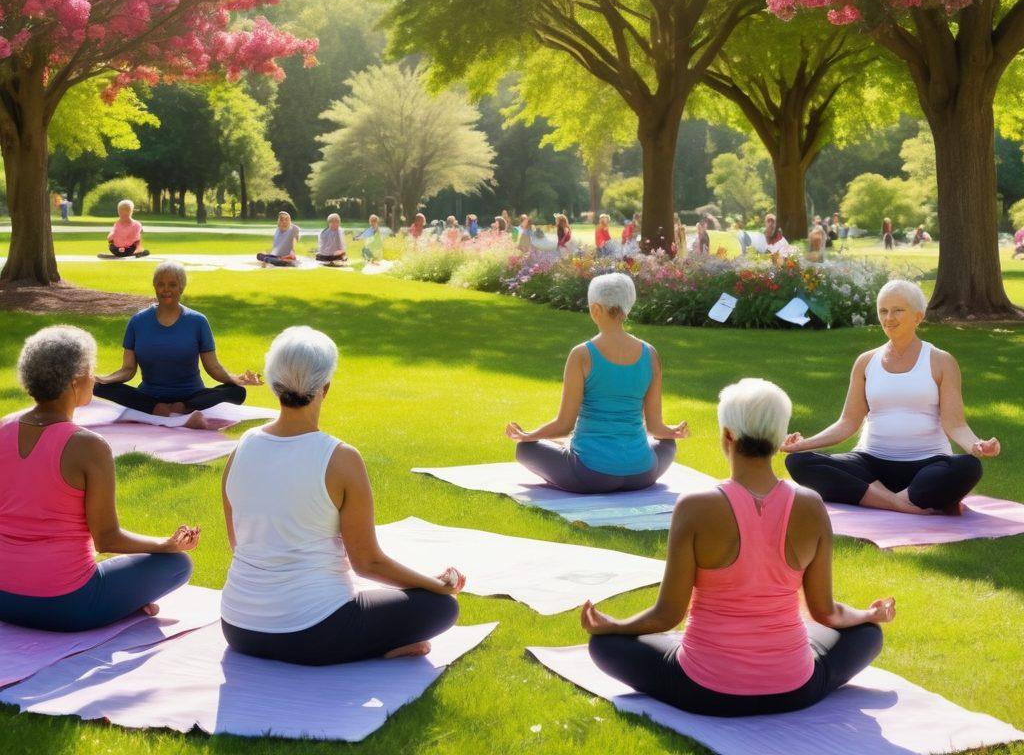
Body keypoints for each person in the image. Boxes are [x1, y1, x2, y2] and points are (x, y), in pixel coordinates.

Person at [582, 378, 893, 717]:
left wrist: (614, 626)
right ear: (778, 438)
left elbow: (667, 615)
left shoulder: (695, 506)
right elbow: (825, 613)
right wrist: (868, 615)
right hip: (794, 690)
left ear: (728, 435)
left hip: (706, 691)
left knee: (604, 645)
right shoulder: (811, 505)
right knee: (867, 634)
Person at [220, 327, 464, 665]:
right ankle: (385, 645)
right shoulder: (341, 458)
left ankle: (381, 640)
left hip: (239, 628)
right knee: (442, 607)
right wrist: (434, 585)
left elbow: (239, 545)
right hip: (316, 634)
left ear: (275, 385)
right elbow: (367, 563)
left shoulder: (240, 448)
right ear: (325, 388)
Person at [0, 326, 198, 632]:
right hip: (67, 605)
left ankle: (124, 597)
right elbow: (107, 538)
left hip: (4, 598)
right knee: (177, 565)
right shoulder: (89, 446)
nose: (95, 378)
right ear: (76, 380)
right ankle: (125, 600)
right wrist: (166, 544)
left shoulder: (2, 428)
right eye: (92, 371)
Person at [784, 279, 998, 515]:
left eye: (898, 310)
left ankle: (883, 498)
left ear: (918, 316)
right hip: (869, 465)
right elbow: (848, 422)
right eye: (883, 311)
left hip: (927, 466)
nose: (889, 318)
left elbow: (955, 424)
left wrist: (976, 445)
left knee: (968, 467)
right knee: (799, 462)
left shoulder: (941, 361)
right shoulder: (866, 362)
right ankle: (897, 503)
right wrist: (805, 444)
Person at [505, 273, 689, 493]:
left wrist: (528, 436)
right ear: (627, 307)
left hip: (590, 475)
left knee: (525, 450)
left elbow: (564, 425)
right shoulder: (650, 354)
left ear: (596, 310)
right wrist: (674, 431)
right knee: (667, 443)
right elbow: (656, 428)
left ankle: (559, 450)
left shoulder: (582, 355)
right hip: (642, 474)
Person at [93, 262, 263, 429]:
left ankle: (183, 407)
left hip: (192, 395)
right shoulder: (138, 321)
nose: (166, 289)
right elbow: (128, 369)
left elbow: (213, 367)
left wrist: (235, 379)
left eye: (172, 284)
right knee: (97, 387)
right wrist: (103, 379)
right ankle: (156, 407)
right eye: (161, 284)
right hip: (150, 395)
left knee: (237, 392)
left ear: (182, 287)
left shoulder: (198, 321)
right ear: (154, 287)